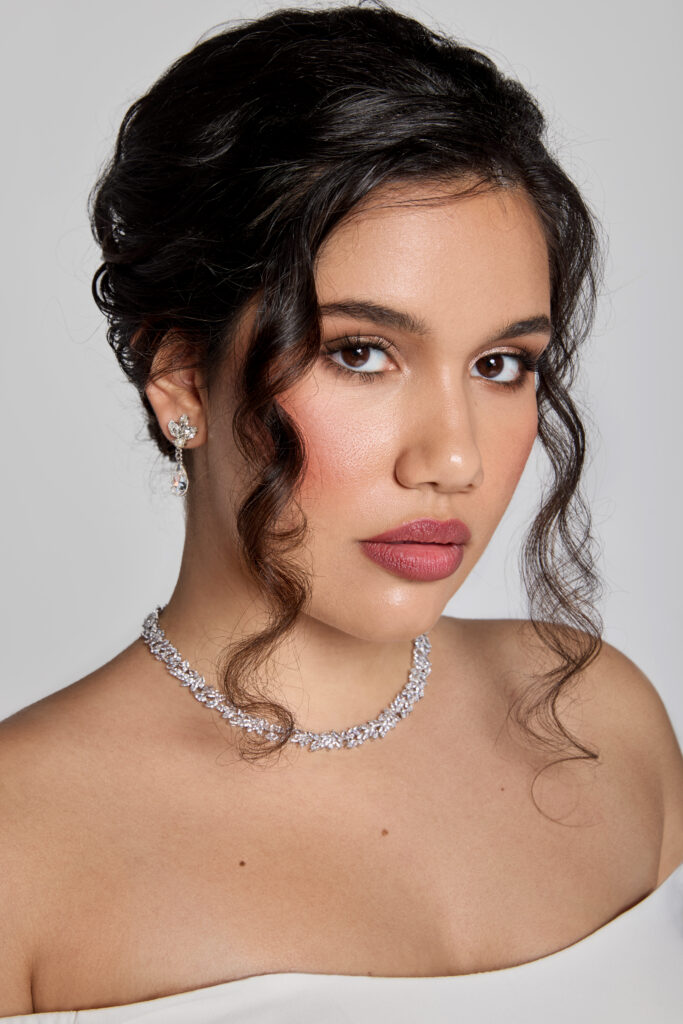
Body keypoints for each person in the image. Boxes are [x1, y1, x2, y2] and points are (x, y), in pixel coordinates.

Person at [1, 2, 682, 1020]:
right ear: (180, 374)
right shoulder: (23, 845)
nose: (451, 457)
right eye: (359, 351)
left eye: (501, 365)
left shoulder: (605, 719)